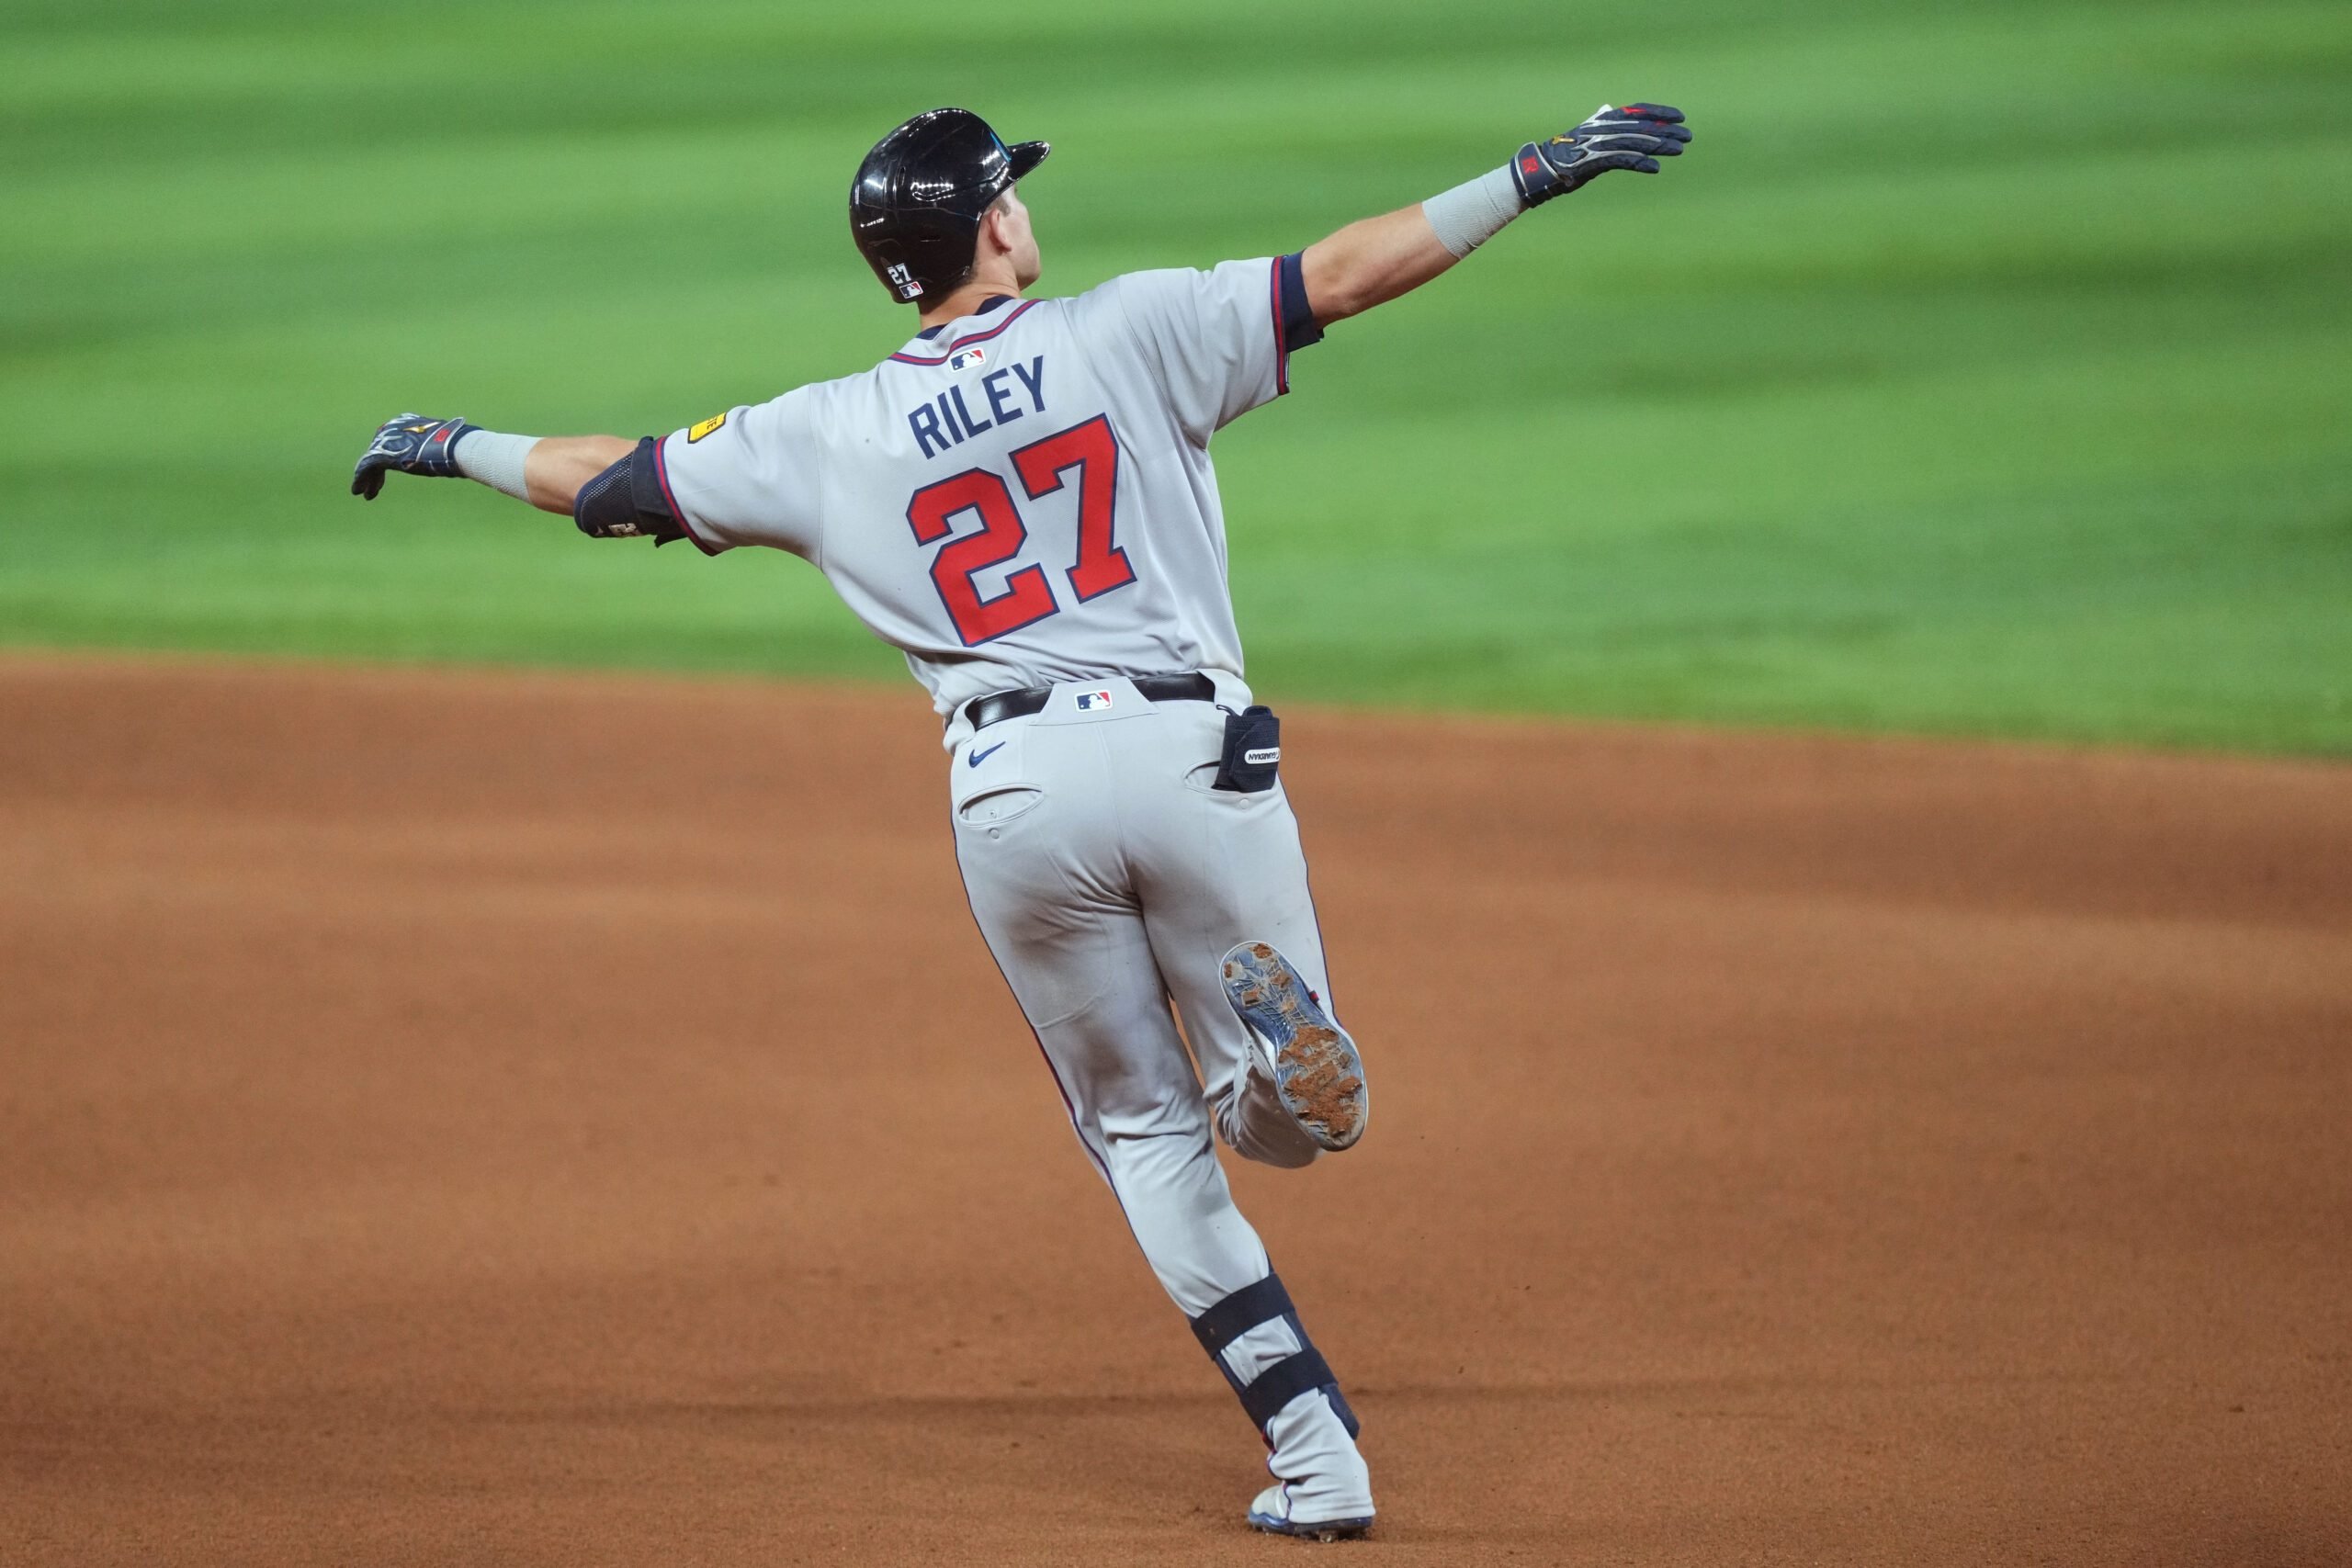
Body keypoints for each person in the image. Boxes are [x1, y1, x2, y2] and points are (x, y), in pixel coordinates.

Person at [351, 101, 1691, 1540]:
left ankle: (1317, 1458)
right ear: (994, 226)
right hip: (1194, 758)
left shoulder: (822, 431)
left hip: (1014, 797)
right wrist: (1529, 174)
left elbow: (609, 487)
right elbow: (1348, 273)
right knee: (1288, 1128)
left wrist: (454, 442)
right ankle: (1271, 1073)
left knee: (1137, 1133)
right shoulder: (1134, 328)